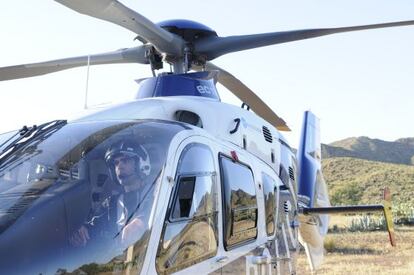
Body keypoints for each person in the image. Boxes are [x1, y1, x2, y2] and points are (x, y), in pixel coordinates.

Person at [70, 139, 150, 247]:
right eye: (116, 163)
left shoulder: (155, 192)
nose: (119, 167)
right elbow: (95, 225)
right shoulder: (112, 202)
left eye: (125, 161)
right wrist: (83, 233)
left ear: (140, 163)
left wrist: (142, 221)